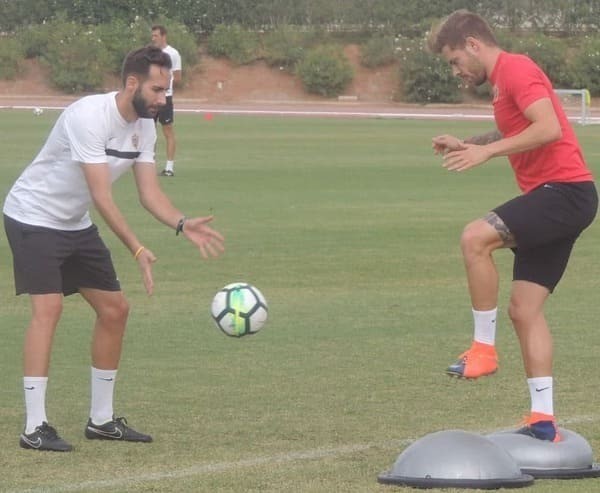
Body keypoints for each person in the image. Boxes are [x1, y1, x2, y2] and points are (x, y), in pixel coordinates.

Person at [3, 45, 225, 452]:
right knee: (48, 309)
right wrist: (138, 249)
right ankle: (34, 427)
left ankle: (101, 421)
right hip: (32, 216)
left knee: (115, 310)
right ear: (132, 83)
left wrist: (180, 221)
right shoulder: (89, 116)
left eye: (167, 91)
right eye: (158, 90)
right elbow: (102, 196)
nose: (163, 100)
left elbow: (148, 192)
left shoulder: (145, 127)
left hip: (73, 222)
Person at [428, 10, 597, 442]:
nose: (456, 70)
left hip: (562, 193)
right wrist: (470, 144)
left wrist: (487, 154)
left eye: (453, 60)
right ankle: (543, 419)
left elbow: (550, 128)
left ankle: (483, 349)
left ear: (472, 44)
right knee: (525, 310)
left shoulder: (516, 69)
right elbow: (517, 129)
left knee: (475, 237)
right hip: (563, 198)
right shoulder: (502, 84)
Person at [151, 24, 182, 177]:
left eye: (156, 35)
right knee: (149, 131)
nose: (153, 38)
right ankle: (149, 164)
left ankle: (169, 167)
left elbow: (178, 77)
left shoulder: (173, 53)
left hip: (165, 98)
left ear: (164, 36)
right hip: (150, 98)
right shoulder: (150, 53)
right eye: (153, 36)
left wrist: (165, 87)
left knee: (167, 130)